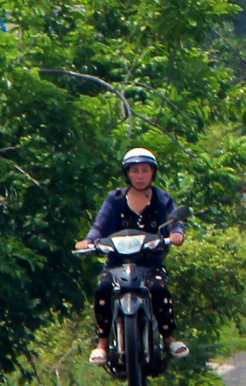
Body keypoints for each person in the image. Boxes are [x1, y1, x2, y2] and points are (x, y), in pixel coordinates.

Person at [76, 147, 191, 358]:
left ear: (153, 172)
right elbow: (99, 226)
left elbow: (176, 223)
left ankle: (169, 340)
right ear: (127, 173)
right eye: (135, 170)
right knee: (103, 288)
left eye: (145, 170)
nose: (140, 176)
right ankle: (102, 345)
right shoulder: (115, 199)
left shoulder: (163, 199)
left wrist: (176, 234)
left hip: (150, 263)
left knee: (159, 288)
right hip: (116, 263)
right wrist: (89, 241)